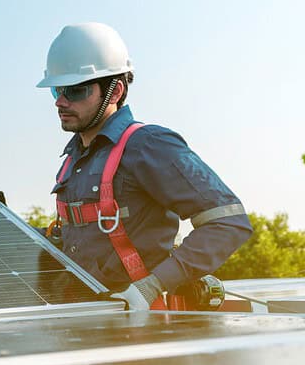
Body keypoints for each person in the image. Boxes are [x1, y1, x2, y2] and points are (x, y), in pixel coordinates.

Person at [36, 22, 252, 310]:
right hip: (86, 319)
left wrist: (151, 286)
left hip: (145, 326)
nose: (60, 102)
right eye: (57, 90)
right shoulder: (73, 158)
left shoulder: (148, 145)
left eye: (76, 91)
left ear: (114, 92)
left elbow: (229, 222)